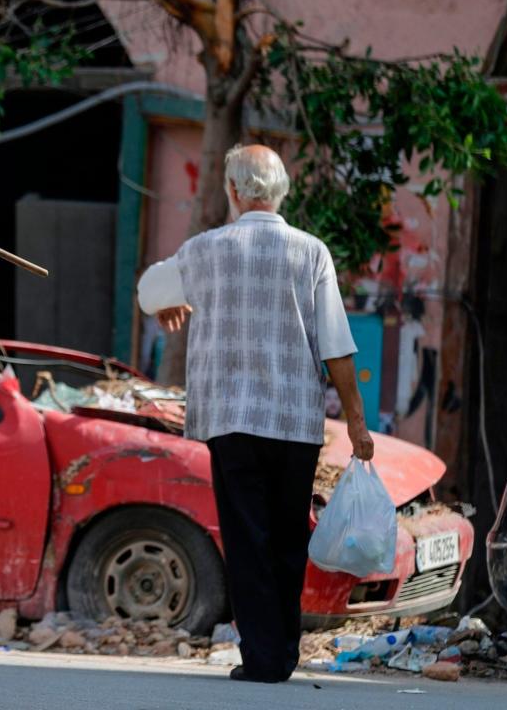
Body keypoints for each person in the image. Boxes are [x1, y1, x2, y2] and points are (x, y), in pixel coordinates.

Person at [137, 144, 374, 684]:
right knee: (289, 538)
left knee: (248, 539)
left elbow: (149, 291)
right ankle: (281, 655)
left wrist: (172, 299)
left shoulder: (206, 250)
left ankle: (262, 657)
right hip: (294, 422)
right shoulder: (311, 252)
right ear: (279, 190)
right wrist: (356, 423)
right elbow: (337, 346)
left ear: (236, 191)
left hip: (232, 421)